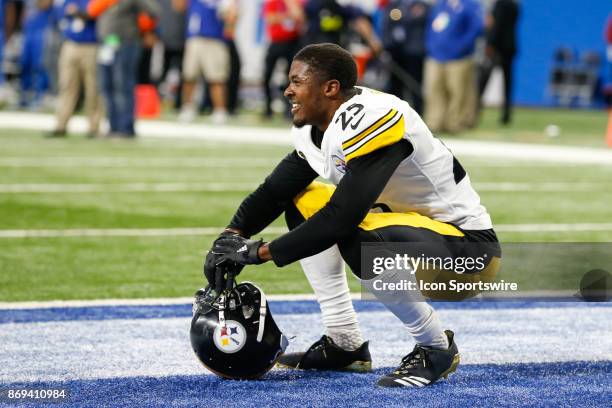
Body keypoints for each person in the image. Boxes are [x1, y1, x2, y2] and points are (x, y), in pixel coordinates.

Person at [206, 43, 500, 388]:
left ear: (330, 88)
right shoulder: (315, 129)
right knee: (302, 200)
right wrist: (231, 236)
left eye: (297, 82)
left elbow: (341, 217)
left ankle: (436, 347)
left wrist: (259, 253)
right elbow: (275, 191)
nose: (287, 90)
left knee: (351, 227)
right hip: (412, 235)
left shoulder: (372, 116)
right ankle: (344, 343)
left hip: (468, 253)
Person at [88, 0, 161, 138]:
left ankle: (126, 128)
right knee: (107, 86)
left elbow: (154, 11)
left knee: (123, 86)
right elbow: (92, 11)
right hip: (107, 45)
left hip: (126, 44)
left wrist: (146, 28)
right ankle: (113, 127)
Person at [424, 0, 483, 133]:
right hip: (435, 55)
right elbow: (431, 27)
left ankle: (454, 123)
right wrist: (430, 46)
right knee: (434, 89)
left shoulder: (470, 5)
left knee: (457, 91)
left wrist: (461, 47)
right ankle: (435, 122)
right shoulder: (440, 5)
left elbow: (476, 28)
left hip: (459, 58)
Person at [48, 0, 103, 138]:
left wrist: (79, 13)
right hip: (70, 44)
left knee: (93, 88)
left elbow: (94, 13)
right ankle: (61, 125)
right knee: (66, 85)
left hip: (91, 45)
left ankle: (94, 127)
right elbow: (60, 14)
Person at [178, 0, 236, 124]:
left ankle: (219, 110)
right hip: (194, 37)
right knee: (189, 76)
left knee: (216, 78)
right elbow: (178, 6)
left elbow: (231, 16)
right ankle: (187, 108)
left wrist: (228, 21)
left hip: (214, 39)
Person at [381, 0, 429, 114]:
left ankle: (418, 113)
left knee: (414, 85)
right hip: (395, 52)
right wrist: (386, 47)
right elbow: (386, 26)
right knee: (395, 87)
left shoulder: (423, 6)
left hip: (414, 54)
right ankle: (396, 114)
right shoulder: (393, 5)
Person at [477, 0, 519, 125]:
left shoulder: (501, 4)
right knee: (508, 83)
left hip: (497, 48)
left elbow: (497, 25)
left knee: (483, 80)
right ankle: (506, 114)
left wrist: (490, 44)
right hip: (510, 47)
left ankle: (475, 110)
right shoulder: (515, 5)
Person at [261, 0, 304, 119]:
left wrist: (290, 7)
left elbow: (299, 17)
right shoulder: (273, 2)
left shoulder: (296, 2)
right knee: (267, 75)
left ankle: (289, 109)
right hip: (276, 42)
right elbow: (270, 19)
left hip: (293, 43)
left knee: (291, 77)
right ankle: (267, 108)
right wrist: (287, 15)